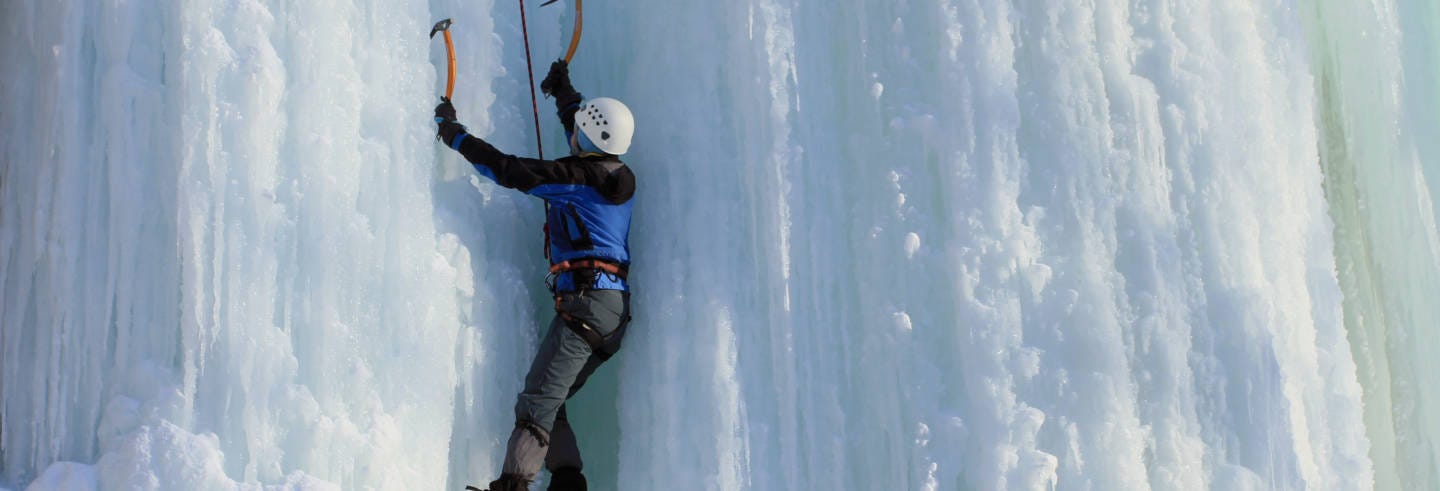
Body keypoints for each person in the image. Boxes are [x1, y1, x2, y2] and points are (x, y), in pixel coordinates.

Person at [437, 61, 636, 491]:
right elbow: (583, 127)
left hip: (587, 307)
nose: (575, 134)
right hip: (611, 313)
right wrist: (563, 91)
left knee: (536, 404)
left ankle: (513, 485)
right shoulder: (613, 176)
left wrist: (455, 136)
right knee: (552, 399)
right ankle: (567, 484)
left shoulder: (577, 180)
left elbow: (509, 169)